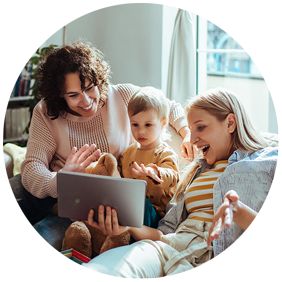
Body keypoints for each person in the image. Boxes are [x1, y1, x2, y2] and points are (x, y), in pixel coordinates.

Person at [10, 40, 193, 258]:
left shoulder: (123, 96)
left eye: (89, 88)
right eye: (73, 95)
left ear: (99, 80)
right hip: (68, 207)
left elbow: (166, 106)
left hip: (115, 207)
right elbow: (31, 167)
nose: (86, 101)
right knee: (37, 236)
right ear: (60, 94)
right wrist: (60, 179)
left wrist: (187, 132)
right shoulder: (46, 112)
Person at [83, 87, 278, 278]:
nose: (192, 139)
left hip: (221, 257)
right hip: (170, 247)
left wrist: (240, 213)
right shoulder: (195, 173)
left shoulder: (269, 162)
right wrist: (127, 226)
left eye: (200, 127)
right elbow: (165, 234)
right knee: (100, 271)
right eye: (191, 130)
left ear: (230, 123)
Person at [119, 86, 180, 225]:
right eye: (135, 124)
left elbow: (173, 178)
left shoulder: (166, 153)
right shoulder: (127, 153)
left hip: (158, 215)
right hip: (129, 208)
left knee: (140, 202)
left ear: (163, 123)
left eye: (148, 125)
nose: (141, 131)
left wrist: (155, 172)